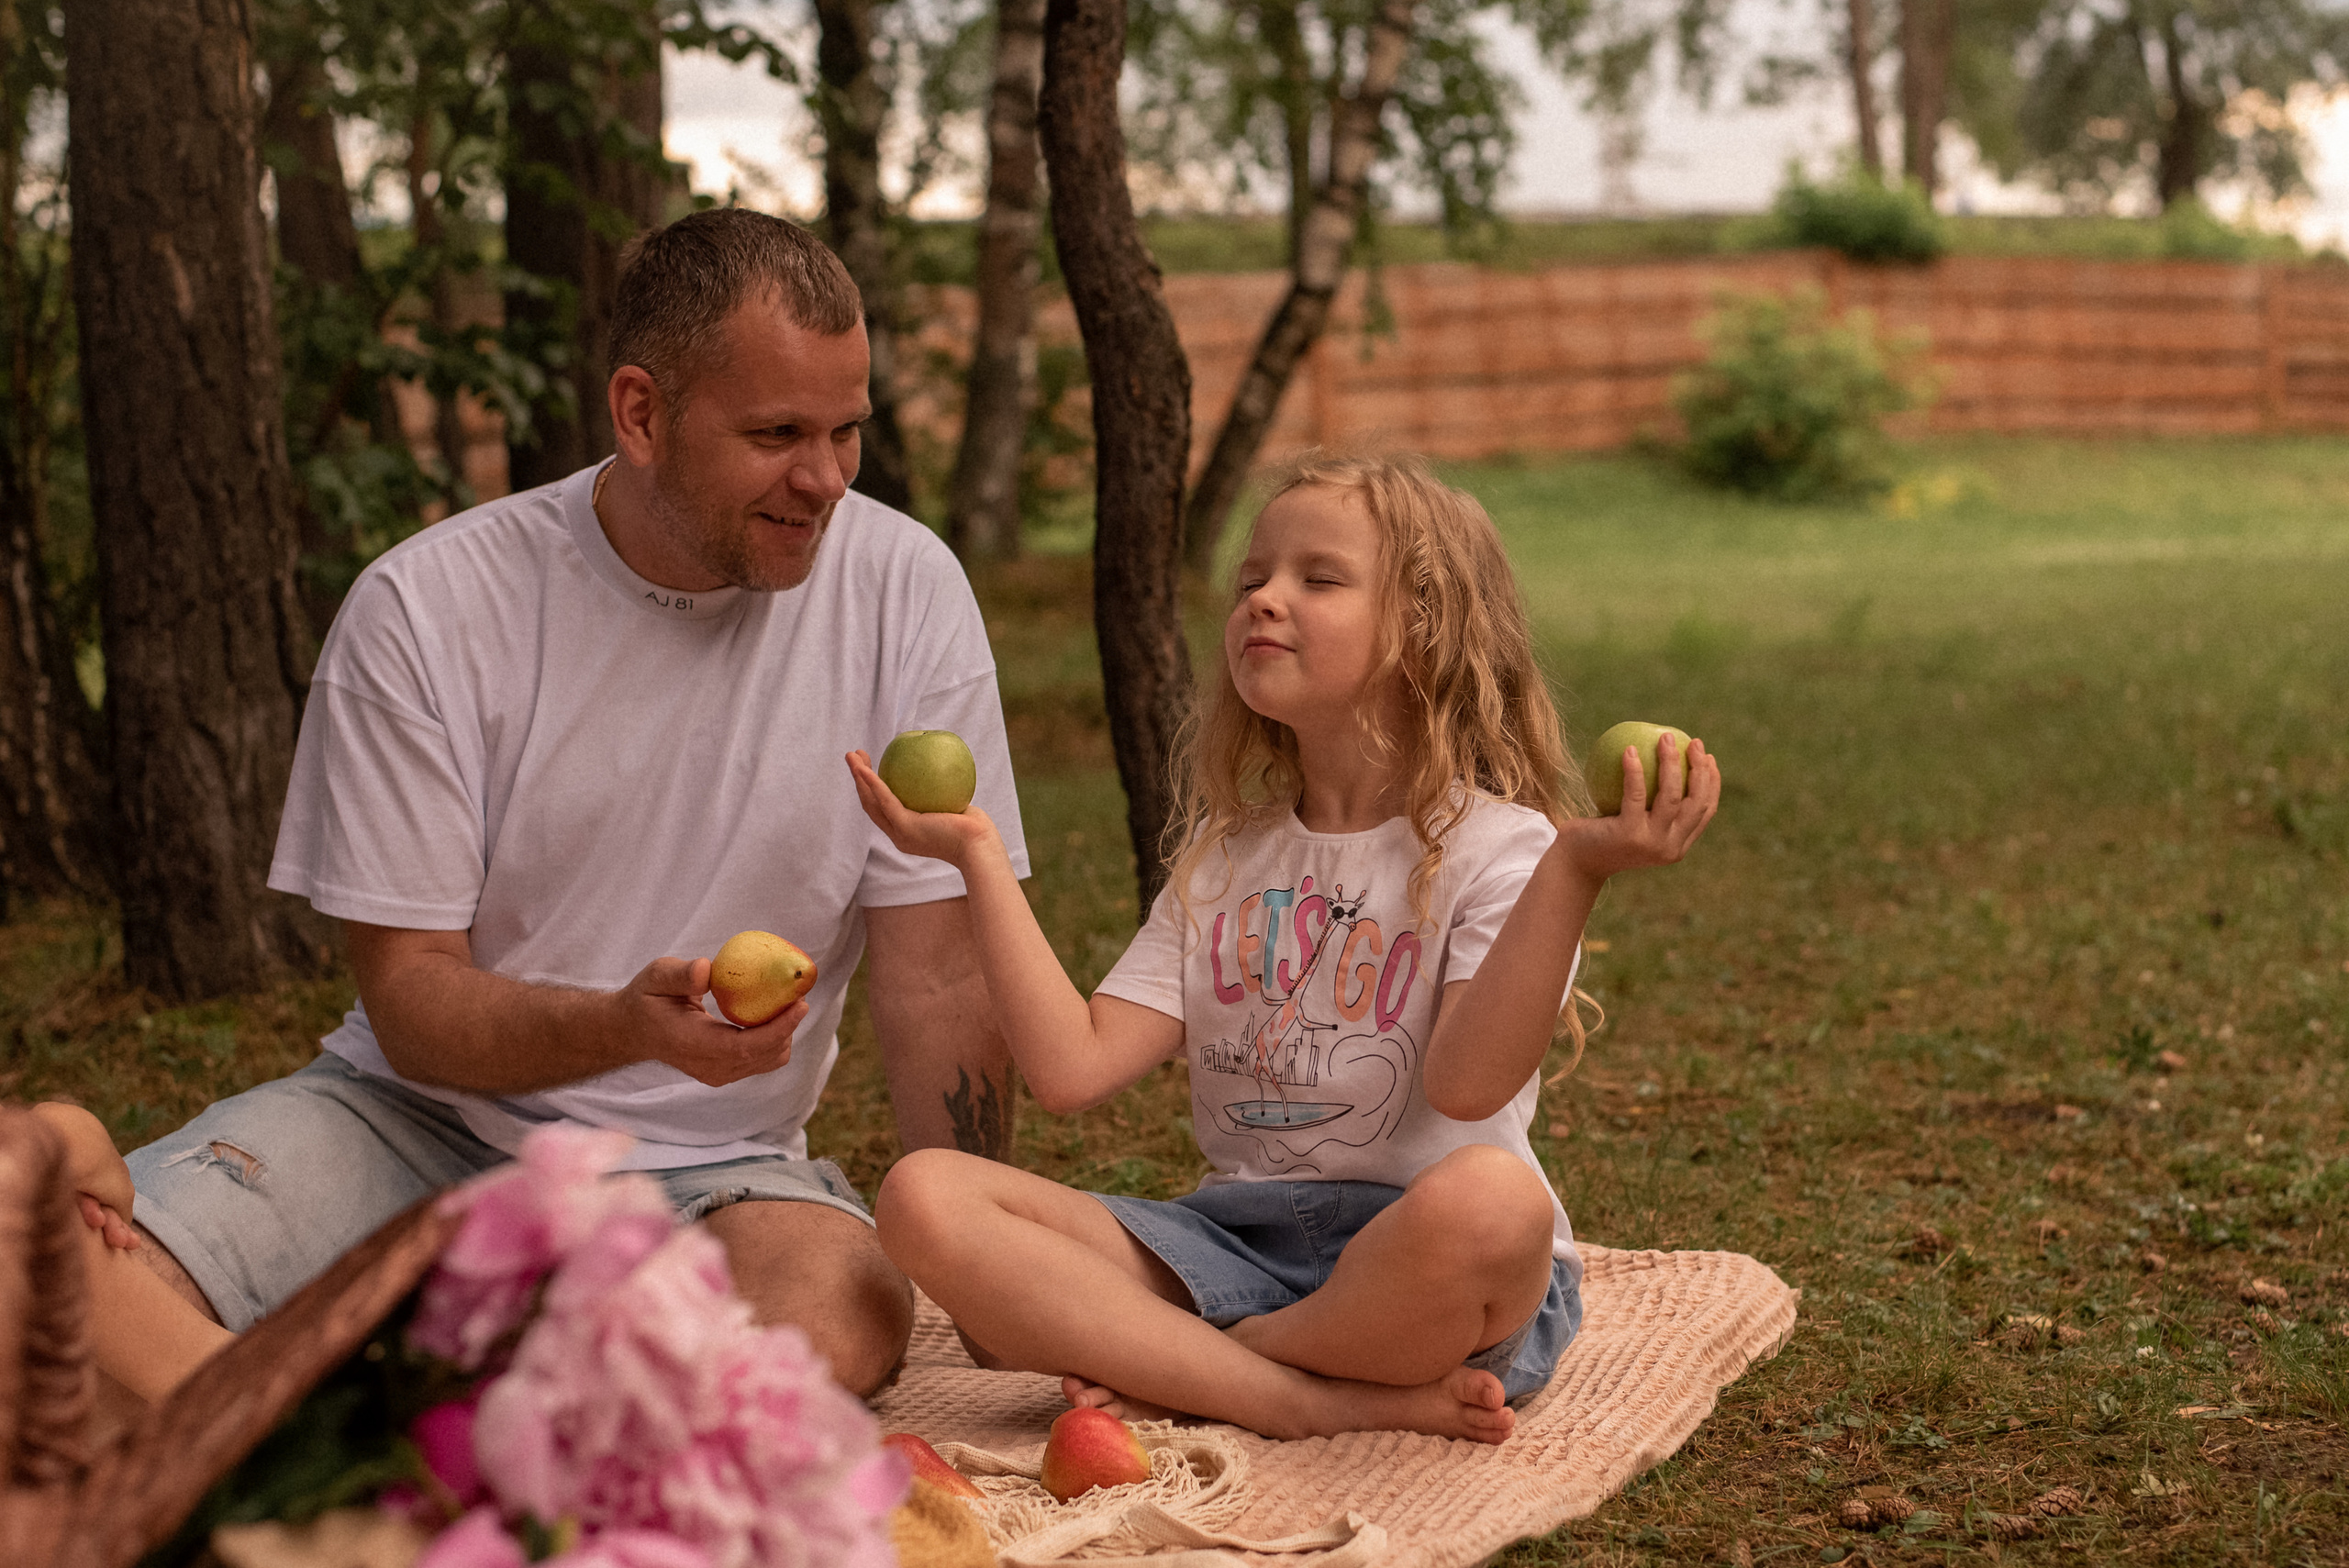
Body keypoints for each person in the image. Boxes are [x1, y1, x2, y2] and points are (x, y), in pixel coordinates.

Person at [106, 208, 1028, 1399]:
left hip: (721, 1172)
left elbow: (943, 976)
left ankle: (350, 1424)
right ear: (640, 412)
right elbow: (416, 1002)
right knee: (80, 1272)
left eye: (847, 430)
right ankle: (347, 1447)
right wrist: (625, 1027)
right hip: (408, 1127)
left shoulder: (907, 590)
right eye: (777, 434)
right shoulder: (428, 608)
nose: (827, 479)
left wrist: (990, 1274)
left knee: (833, 1307)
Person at [852, 452, 1720, 1443]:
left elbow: (1471, 1082)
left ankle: (1215, 1361)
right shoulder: (1229, 856)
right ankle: (1300, 1394)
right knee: (924, 1192)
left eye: (1318, 577)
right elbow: (1068, 1067)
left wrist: (1576, 870)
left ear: (1421, 629)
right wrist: (975, 855)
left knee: (1495, 1202)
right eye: (1251, 578)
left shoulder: (1508, 848)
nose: (1264, 598)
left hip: (1417, 1258)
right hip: (1236, 1237)